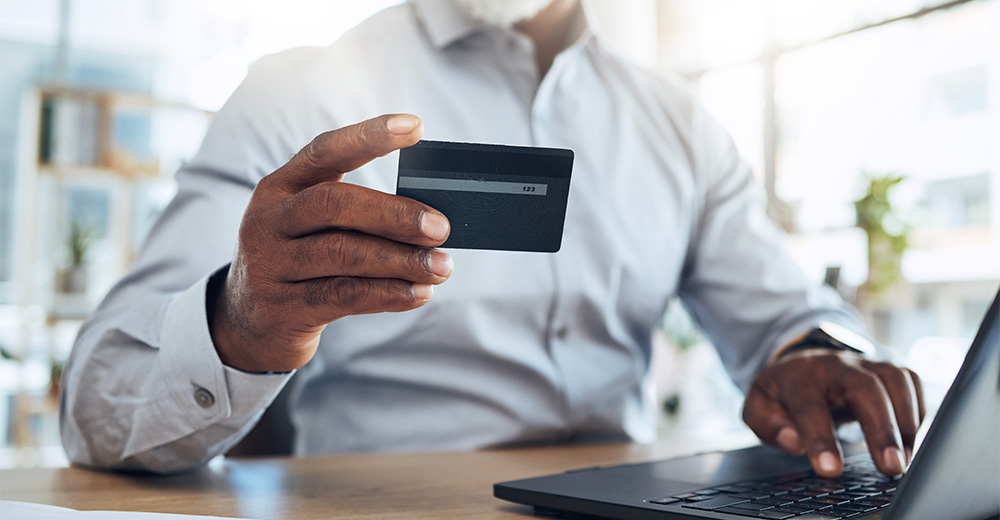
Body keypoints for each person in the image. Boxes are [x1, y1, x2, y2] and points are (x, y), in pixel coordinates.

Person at [60, 0, 924, 478]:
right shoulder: (294, 96)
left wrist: (820, 354)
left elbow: (788, 316)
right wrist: (240, 323)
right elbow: (98, 407)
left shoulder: (679, 123)